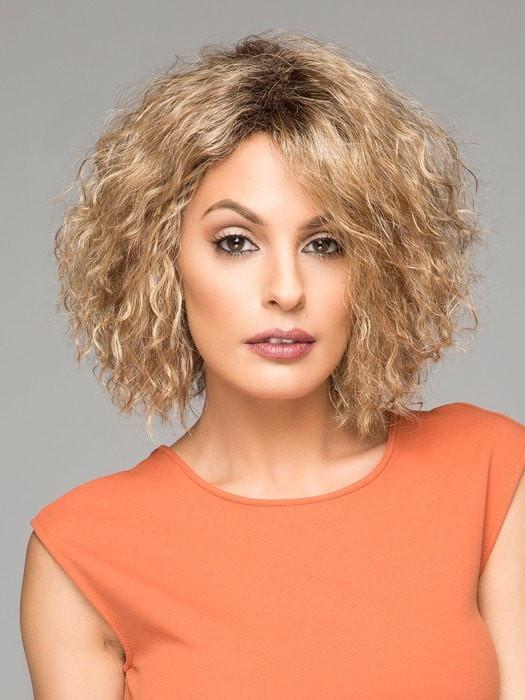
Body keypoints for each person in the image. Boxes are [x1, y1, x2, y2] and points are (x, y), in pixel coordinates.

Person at [20, 30, 524, 699]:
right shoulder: (84, 549)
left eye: (325, 243)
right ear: (160, 262)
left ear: (379, 264)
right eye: (235, 242)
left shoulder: (488, 472)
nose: (286, 289)